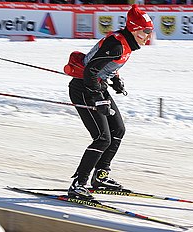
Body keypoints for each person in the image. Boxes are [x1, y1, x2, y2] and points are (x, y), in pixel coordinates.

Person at [67, 4, 154, 200]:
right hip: (83, 89)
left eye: (150, 31)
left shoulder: (126, 43)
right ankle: (79, 184)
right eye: (146, 31)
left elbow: (104, 66)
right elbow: (90, 71)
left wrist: (115, 79)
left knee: (118, 130)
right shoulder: (116, 45)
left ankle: (101, 176)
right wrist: (97, 98)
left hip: (97, 87)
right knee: (102, 138)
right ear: (134, 28)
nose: (149, 35)